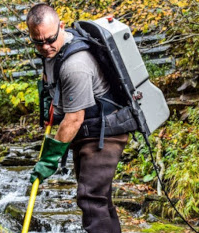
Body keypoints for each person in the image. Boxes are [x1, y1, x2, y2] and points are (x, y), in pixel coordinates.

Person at [26, 3, 129, 233]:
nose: (45, 47)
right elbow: (50, 80)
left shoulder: (76, 65)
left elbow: (73, 119)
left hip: (105, 131)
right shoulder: (52, 50)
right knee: (100, 199)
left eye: (50, 39)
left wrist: (49, 160)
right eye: (38, 41)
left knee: (91, 200)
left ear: (61, 26)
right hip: (88, 132)